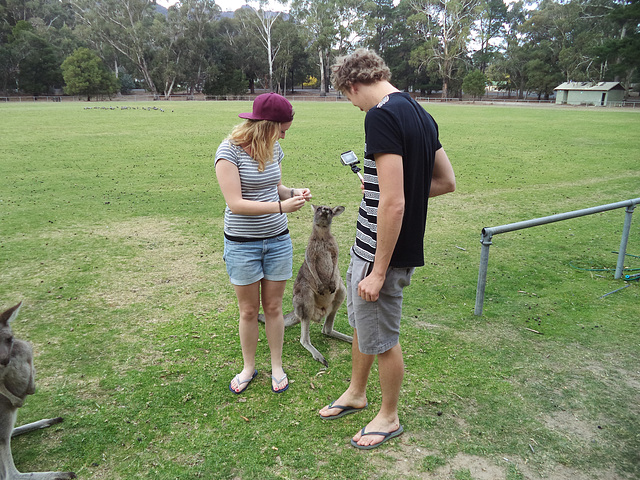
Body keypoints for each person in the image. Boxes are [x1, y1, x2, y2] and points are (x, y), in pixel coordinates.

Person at [318, 50, 456, 449]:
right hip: (380, 246)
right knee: (365, 325)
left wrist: (378, 271)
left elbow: (396, 203)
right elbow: (444, 181)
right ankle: (356, 394)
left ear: (353, 85)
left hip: (381, 253)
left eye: (348, 97)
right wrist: (380, 188)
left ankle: (389, 417)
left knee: (383, 337)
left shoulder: (379, 114)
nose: (353, 104)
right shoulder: (419, 112)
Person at [215, 93, 311, 395]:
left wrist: (293, 191)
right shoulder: (228, 152)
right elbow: (236, 203)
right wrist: (281, 208)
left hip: (277, 241)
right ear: (266, 125)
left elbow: (275, 187)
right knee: (247, 311)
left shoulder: (274, 147)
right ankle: (248, 367)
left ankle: (277, 366)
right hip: (242, 244)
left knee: (273, 307)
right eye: (281, 129)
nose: (283, 136)